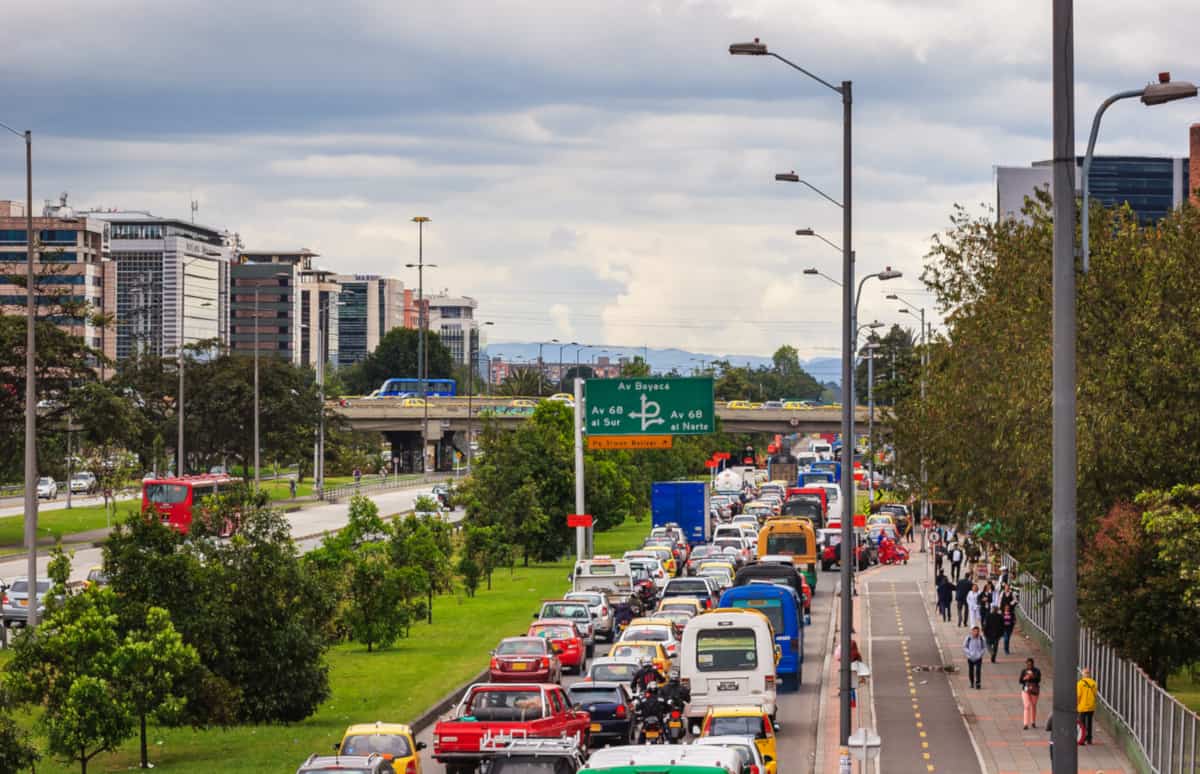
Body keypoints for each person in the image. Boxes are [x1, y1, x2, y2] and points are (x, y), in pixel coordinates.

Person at [1019, 658, 1042, 729]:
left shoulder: (1037, 671)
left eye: (1030, 664)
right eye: (1027, 664)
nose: (1029, 665)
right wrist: (1025, 678)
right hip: (1025, 690)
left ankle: (1033, 722)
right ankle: (1025, 724)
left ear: (1032, 664)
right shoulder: (1024, 671)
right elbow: (1020, 681)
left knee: (1033, 705)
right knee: (1027, 705)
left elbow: (1038, 680)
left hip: (1034, 690)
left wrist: (1032, 676)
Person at [1077, 667, 1098, 745]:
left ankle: (1082, 739)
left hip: (1082, 706)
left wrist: (1076, 704)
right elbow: (1095, 694)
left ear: (1082, 674)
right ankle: (1089, 739)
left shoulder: (1080, 683)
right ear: (1089, 675)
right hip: (1091, 706)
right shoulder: (1093, 683)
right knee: (1089, 722)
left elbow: (1078, 695)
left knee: (1082, 724)